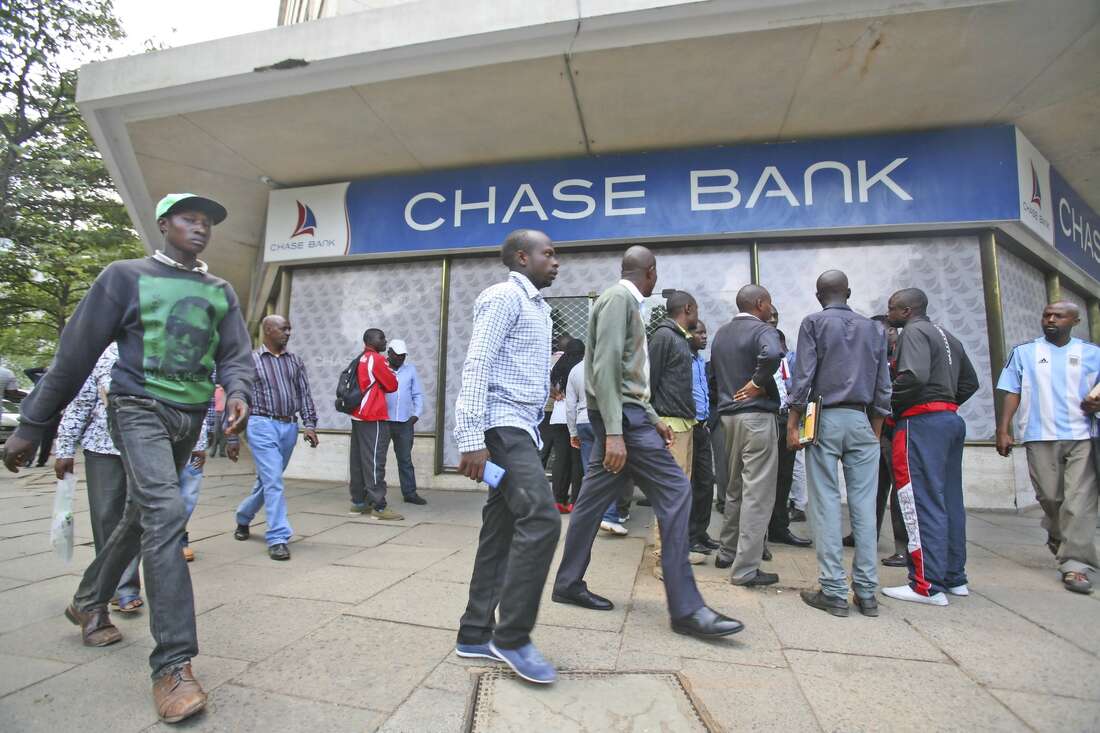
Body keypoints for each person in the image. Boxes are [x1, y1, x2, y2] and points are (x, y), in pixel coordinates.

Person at [1, 193, 253, 724]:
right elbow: (75, 353)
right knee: (165, 515)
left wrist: (237, 391)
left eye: (207, 222)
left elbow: (235, 354)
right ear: (164, 224)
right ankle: (173, 665)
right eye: (188, 218)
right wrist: (32, 423)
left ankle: (89, 598)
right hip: (137, 407)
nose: (200, 228)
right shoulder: (124, 276)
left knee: (141, 515)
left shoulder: (220, 290)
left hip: (189, 416)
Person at [552, 245, 743, 641]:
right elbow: (604, 368)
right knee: (676, 490)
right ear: (651, 271)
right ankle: (686, 609)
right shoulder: (618, 300)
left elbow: (628, 375)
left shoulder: (624, 303)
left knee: (590, 503)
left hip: (630, 417)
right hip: (623, 421)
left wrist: (653, 418)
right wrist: (615, 432)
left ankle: (568, 582)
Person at [453, 229, 562, 684]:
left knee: (500, 532)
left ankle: (475, 632)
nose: (556, 261)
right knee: (542, 518)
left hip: (523, 429)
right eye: (548, 254)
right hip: (502, 426)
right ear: (522, 257)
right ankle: (513, 638)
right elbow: (477, 363)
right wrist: (470, 437)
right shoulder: (504, 297)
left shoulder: (539, 308)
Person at [786, 271, 892, 618]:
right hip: (862, 420)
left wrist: (793, 424)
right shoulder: (874, 329)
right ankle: (867, 592)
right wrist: (875, 429)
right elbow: (883, 385)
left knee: (825, 504)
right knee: (864, 507)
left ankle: (833, 590)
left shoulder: (813, 323)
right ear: (848, 292)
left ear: (819, 295)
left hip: (824, 418)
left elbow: (803, 377)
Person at [882, 287, 979, 606]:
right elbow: (970, 383)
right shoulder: (948, 336)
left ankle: (926, 585)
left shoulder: (912, 332)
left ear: (907, 311)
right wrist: (943, 401)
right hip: (949, 420)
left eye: (892, 308)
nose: (889, 313)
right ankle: (954, 577)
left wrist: (890, 407)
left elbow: (913, 376)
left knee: (919, 500)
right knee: (949, 500)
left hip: (920, 423)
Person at [995, 301, 1100, 594]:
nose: (1051, 320)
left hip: (1083, 436)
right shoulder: (1024, 352)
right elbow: (1012, 390)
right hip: (1039, 435)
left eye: (1059, 316)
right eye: (1047, 315)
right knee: (1050, 498)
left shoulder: (1093, 353)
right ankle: (1058, 533)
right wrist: (1003, 429)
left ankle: (1076, 565)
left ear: (1075, 321)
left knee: (1078, 502)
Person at [709, 284, 783, 586]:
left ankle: (726, 551)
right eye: (770, 304)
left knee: (735, 487)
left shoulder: (721, 334)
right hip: (756, 418)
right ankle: (746, 569)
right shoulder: (763, 330)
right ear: (760, 303)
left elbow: (714, 375)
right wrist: (757, 382)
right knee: (758, 493)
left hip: (728, 418)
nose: (771, 310)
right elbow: (773, 353)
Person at [233, 315, 319, 560]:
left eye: (289, 329)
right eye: (283, 329)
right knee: (273, 480)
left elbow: (304, 394)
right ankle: (278, 537)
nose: (288, 333)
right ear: (268, 330)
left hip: (289, 427)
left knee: (268, 481)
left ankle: (243, 517)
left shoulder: (295, 361)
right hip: (261, 424)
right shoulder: (251, 360)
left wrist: (309, 425)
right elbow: (238, 396)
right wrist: (232, 436)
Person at [766, 311, 811, 549]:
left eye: (775, 315)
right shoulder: (756, 346)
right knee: (762, 478)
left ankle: (779, 528)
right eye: (768, 314)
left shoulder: (782, 354)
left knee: (784, 476)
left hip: (785, 418)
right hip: (765, 418)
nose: (773, 319)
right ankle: (758, 535)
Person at [348, 328, 402, 520]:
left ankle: (358, 502)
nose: (385, 340)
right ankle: (379, 506)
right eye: (381, 337)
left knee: (357, 461)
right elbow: (392, 385)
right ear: (370, 340)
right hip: (373, 415)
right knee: (374, 460)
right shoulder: (377, 359)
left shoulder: (360, 358)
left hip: (357, 415)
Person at [687, 321, 719, 554]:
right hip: (687, 427)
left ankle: (701, 531)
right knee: (689, 484)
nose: (704, 336)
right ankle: (689, 536)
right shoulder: (683, 360)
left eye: (705, 332)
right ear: (688, 335)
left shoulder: (700, 361)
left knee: (706, 482)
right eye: (699, 332)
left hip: (703, 427)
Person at [383, 339, 427, 505]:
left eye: (403, 355)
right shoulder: (381, 368)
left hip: (404, 422)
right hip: (384, 421)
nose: (400, 358)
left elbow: (417, 394)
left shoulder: (410, 370)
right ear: (389, 353)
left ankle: (410, 493)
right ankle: (374, 495)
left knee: (405, 460)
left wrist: (416, 415)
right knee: (378, 460)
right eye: (397, 355)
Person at [548, 339, 585, 512]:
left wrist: (555, 395)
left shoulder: (557, 369)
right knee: (577, 461)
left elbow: (546, 386)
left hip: (557, 417)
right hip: (575, 417)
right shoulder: (580, 369)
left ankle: (558, 499)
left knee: (560, 460)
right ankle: (575, 501)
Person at [209, 384, 227, 458]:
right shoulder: (216, 389)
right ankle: (213, 450)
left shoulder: (227, 389)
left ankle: (222, 451)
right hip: (217, 412)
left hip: (226, 412)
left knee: (224, 432)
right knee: (216, 432)